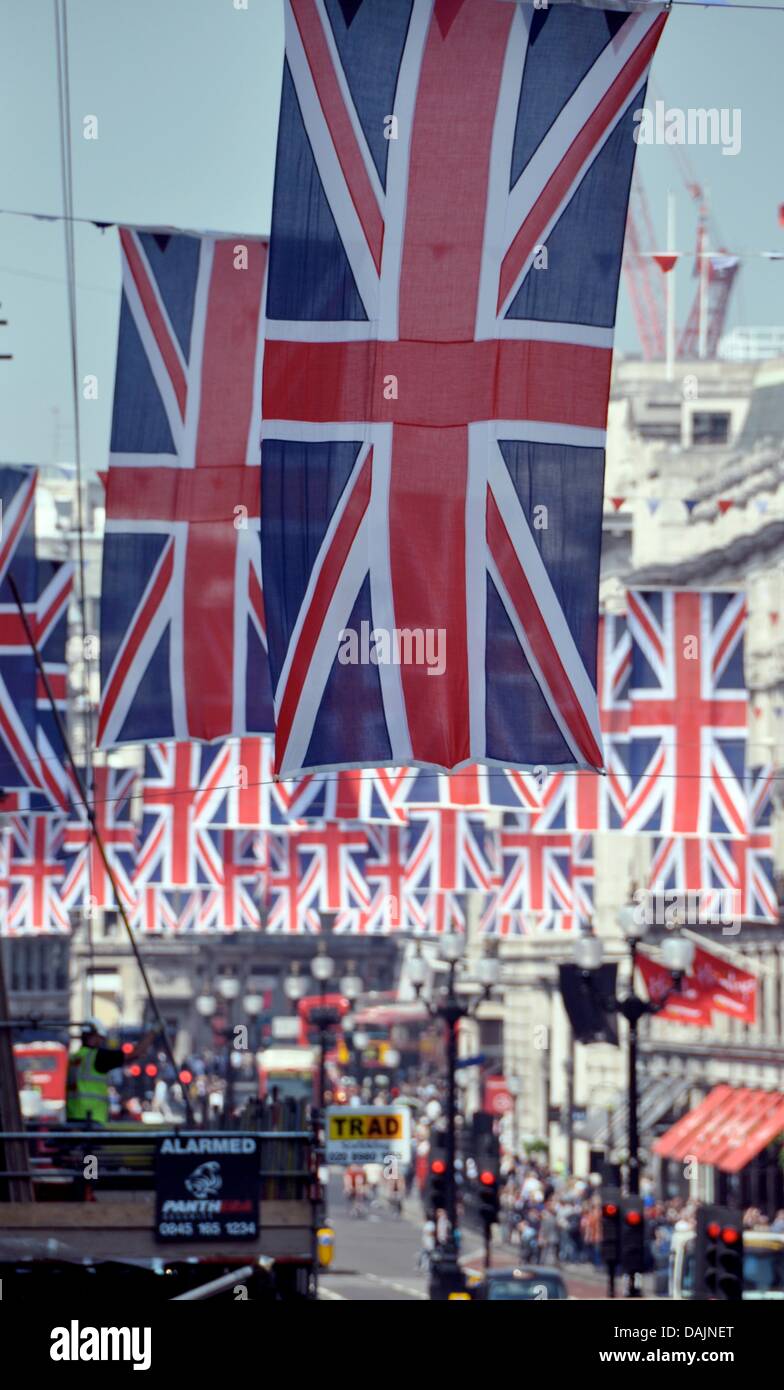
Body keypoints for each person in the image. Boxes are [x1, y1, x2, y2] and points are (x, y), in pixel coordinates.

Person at [66, 1018, 157, 1126]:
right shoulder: (97, 1056)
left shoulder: (74, 1058)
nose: (101, 1042)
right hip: (91, 1118)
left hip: (72, 1117)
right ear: (94, 1036)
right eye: (100, 1038)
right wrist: (153, 1032)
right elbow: (135, 1053)